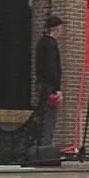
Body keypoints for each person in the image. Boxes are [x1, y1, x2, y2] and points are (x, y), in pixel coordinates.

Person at [33, 14, 63, 148]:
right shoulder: (51, 44)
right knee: (49, 117)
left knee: (42, 116)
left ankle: (40, 144)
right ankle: (45, 147)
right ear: (56, 28)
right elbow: (52, 68)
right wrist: (56, 89)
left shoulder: (41, 43)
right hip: (49, 87)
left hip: (42, 85)